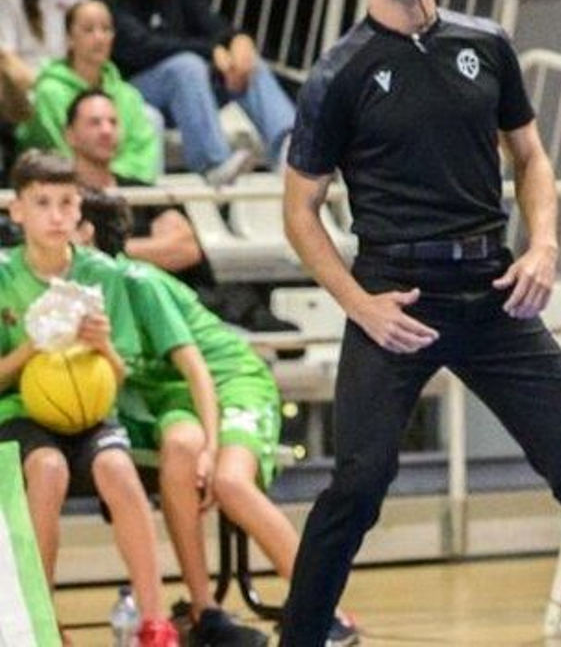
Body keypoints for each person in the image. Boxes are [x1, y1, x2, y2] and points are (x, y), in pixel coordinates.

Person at [278, 0, 561, 647]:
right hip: (395, 297)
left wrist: (544, 245)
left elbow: (532, 157)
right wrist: (358, 303)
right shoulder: (338, 73)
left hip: (492, 294)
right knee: (358, 484)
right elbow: (299, 211)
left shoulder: (486, 44)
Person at [76, 188, 360, 647]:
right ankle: (204, 607)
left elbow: (198, 370)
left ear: (85, 232)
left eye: (67, 212)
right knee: (179, 451)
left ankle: (325, 612)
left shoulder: (137, 280)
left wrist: (211, 447)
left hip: (229, 379)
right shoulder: (71, 293)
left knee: (228, 481)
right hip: (170, 396)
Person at [0, 149, 181, 645]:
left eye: (66, 202)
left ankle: (155, 620)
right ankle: (40, 618)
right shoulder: (1, 276)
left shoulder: (103, 274)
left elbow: (120, 375)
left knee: (119, 472)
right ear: (17, 211)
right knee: (48, 470)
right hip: (21, 411)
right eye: (42, 203)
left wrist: (101, 346)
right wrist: (31, 349)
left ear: (80, 208)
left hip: (92, 411)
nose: (56, 215)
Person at [91, 0, 296, 185]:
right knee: (185, 66)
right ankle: (213, 163)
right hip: (133, 92)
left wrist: (238, 41)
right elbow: (140, 46)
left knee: (249, 64)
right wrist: (211, 50)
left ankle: (291, 151)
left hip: (189, 97)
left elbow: (216, 27)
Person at [65, 87, 217, 296]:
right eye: (95, 122)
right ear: (70, 135)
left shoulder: (145, 193)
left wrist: (105, 250)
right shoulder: (59, 200)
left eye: (113, 122)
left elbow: (185, 249)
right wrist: (149, 249)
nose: (107, 130)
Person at [21, 0, 163, 181]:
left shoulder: (129, 96)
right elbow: (57, 154)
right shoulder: (49, 92)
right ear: (69, 38)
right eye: (88, 29)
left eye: (106, 29)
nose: (99, 37)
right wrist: (95, 176)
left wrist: (111, 177)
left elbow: (142, 155)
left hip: (124, 189)